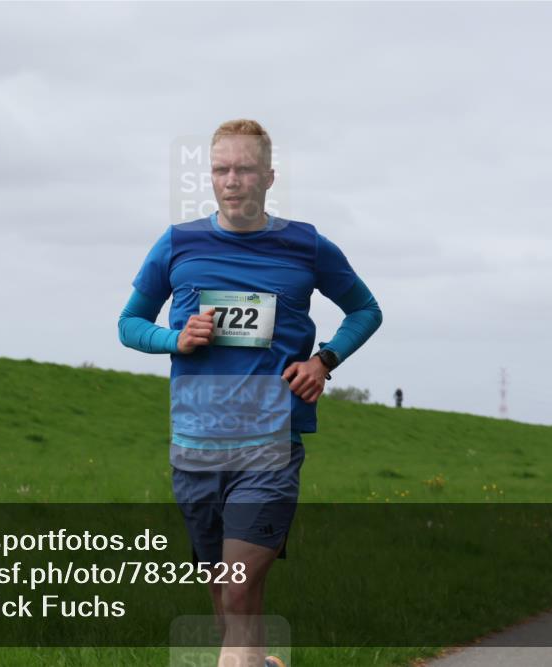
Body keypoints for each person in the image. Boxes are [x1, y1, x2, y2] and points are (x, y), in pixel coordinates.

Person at [118, 119, 382, 667]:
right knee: (228, 601)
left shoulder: (306, 245)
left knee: (237, 587)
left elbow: (366, 310)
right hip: (195, 446)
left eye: (244, 169)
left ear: (268, 176)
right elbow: (128, 324)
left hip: (269, 445)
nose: (232, 180)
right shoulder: (178, 244)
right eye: (221, 169)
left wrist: (323, 360)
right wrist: (175, 338)